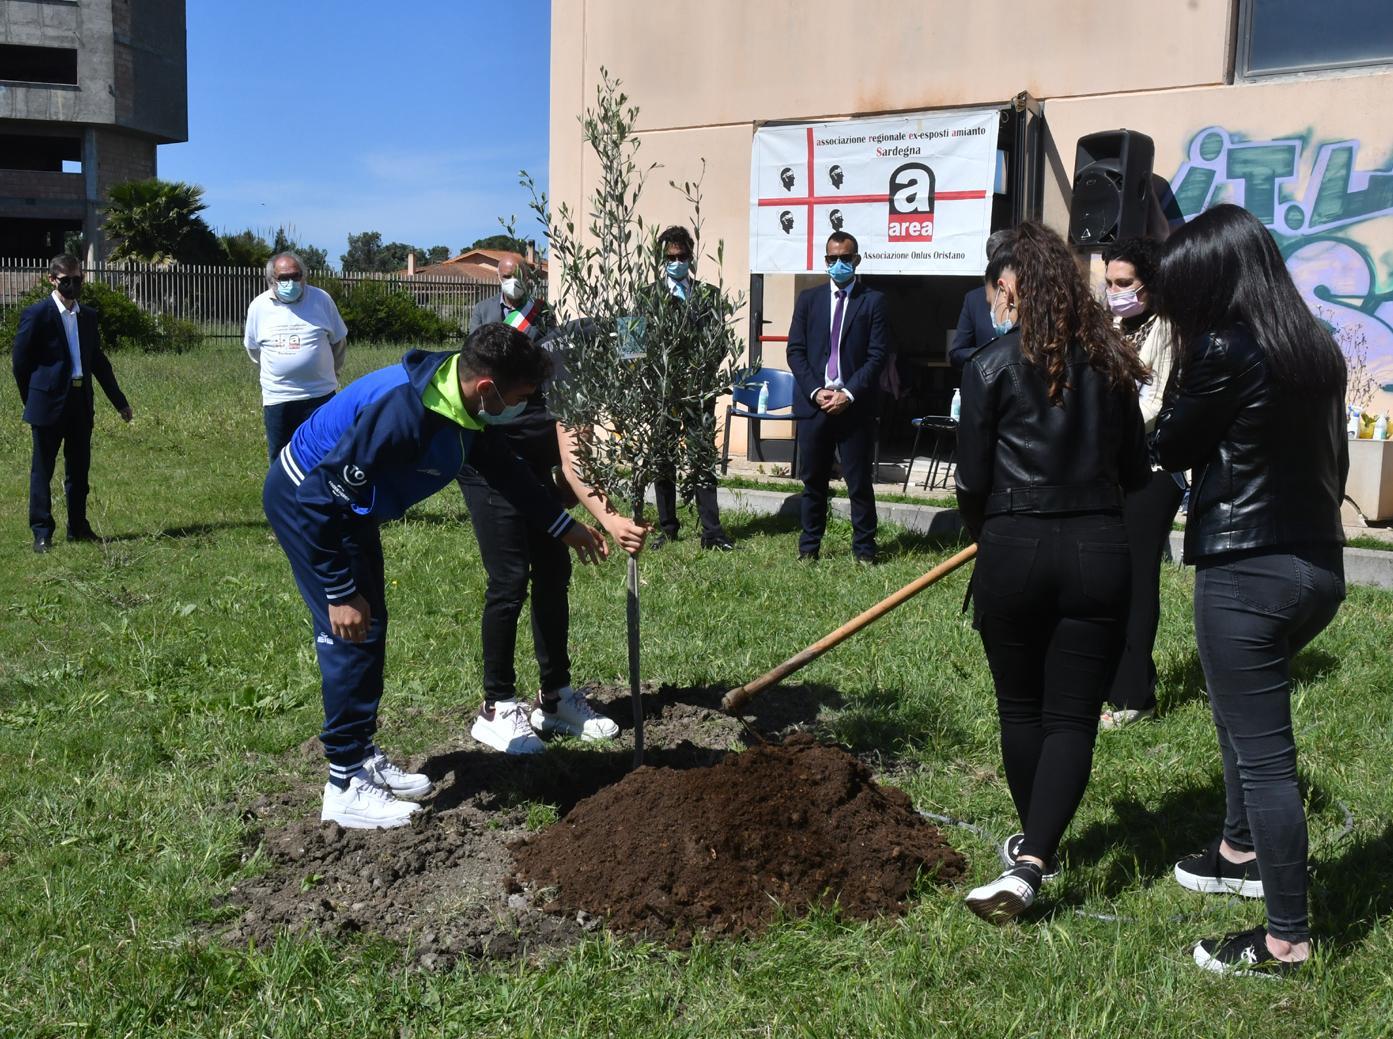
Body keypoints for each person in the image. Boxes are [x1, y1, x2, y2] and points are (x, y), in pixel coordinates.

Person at [263, 322, 609, 828]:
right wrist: (338, 591)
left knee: (371, 625)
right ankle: (344, 785)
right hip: (309, 505)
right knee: (349, 634)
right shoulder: (402, 413)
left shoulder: (460, 395)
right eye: (521, 397)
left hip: (348, 507)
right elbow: (320, 496)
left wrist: (562, 526)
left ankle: (358, 755)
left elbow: (505, 468)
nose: (525, 407)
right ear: (488, 388)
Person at [1152, 204, 1347, 977]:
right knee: (1242, 717)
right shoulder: (1313, 347)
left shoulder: (1224, 350)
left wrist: (1180, 362)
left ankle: (1285, 938)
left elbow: (1168, 443)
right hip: (1316, 568)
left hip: (1245, 571)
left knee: (1266, 755)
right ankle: (1236, 848)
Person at [954, 222, 1149, 924]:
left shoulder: (985, 367)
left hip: (1013, 546)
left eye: (999, 288)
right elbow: (1134, 472)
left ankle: (1032, 854)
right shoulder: (1113, 364)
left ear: (1011, 288)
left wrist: (990, 533)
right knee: (1071, 716)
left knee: (1021, 706)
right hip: (1099, 546)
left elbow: (971, 482)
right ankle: (1037, 847)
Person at [459, 316, 648, 754]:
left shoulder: (589, 359)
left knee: (552, 570)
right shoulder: (574, 364)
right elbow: (574, 460)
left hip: (533, 471)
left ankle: (555, 696)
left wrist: (569, 501)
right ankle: (497, 706)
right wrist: (610, 519)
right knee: (508, 580)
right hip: (491, 470)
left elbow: (565, 463)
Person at [1098, 237, 1183, 730]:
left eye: (1124, 284)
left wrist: (1106, 431)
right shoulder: (1112, 325)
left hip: (1151, 469)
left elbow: (1152, 403)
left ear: (1149, 284)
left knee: (1137, 578)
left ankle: (1134, 698)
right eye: (1109, 282)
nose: (1114, 292)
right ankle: (1120, 678)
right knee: (1110, 578)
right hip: (1110, 464)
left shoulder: (1166, 329)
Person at [12, 255, 133, 552]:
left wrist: (120, 402)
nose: (73, 285)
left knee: (79, 470)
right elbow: (20, 361)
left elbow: (99, 363)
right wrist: (32, 399)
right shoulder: (37, 314)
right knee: (43, 470)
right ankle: (42, 532)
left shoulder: (88, 316)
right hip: (47, 404)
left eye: (78, 279)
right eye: (66, 280)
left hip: (80, 401)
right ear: (53, 280)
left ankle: (78, 526)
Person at [786, 230, 888, 564]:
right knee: (813, 481)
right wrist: (817, 391)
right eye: (833, 258)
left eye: (846, 258)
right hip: (815, 405)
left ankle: (864, 551)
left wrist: (847, 393)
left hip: (853, 406)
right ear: (825, 260)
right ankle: (809, 547)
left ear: (856, 260)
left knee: (858, 483)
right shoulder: (808, 300)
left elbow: (877, 356)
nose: (839, 264)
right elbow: (795, 351)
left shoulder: (872, 301)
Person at [648, 225, 734, 552]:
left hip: (698, 392)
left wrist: (698, 374)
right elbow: (632, 345)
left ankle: (712, 531)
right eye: (671, 257)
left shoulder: (708, 294)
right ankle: (667, 527)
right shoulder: (647, 295)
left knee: (701, 459)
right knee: (663, 459)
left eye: (683, 256)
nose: (677, 261)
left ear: (691, 256)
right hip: (663, 393)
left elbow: (719, 342)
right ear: (661, 259)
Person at [244, 251, 348, 461]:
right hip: (278, 398)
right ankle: (283, 494)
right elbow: (254, 350)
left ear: (304, 276)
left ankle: (323, 494)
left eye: (295, 276)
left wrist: (330, 372)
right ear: (272, 280)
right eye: (283, 278)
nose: (290, 282)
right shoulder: (259, 306)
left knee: (326, 455)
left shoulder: (321, 299)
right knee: (281, 456)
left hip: (320, 395)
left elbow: (339, 342)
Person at [948, 230, 1015, 369]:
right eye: (995, 261)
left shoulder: (1030, 295)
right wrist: (987, 354)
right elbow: (956, 353)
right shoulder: (974, 299)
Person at [467, 254, 545, 338]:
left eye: (518, 276)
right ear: (498, 277)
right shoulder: (482, 309)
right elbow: (473, 345)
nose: (513, 281)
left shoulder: (540, 308)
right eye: (507, 276)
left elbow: (551, 345)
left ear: (527, 277)